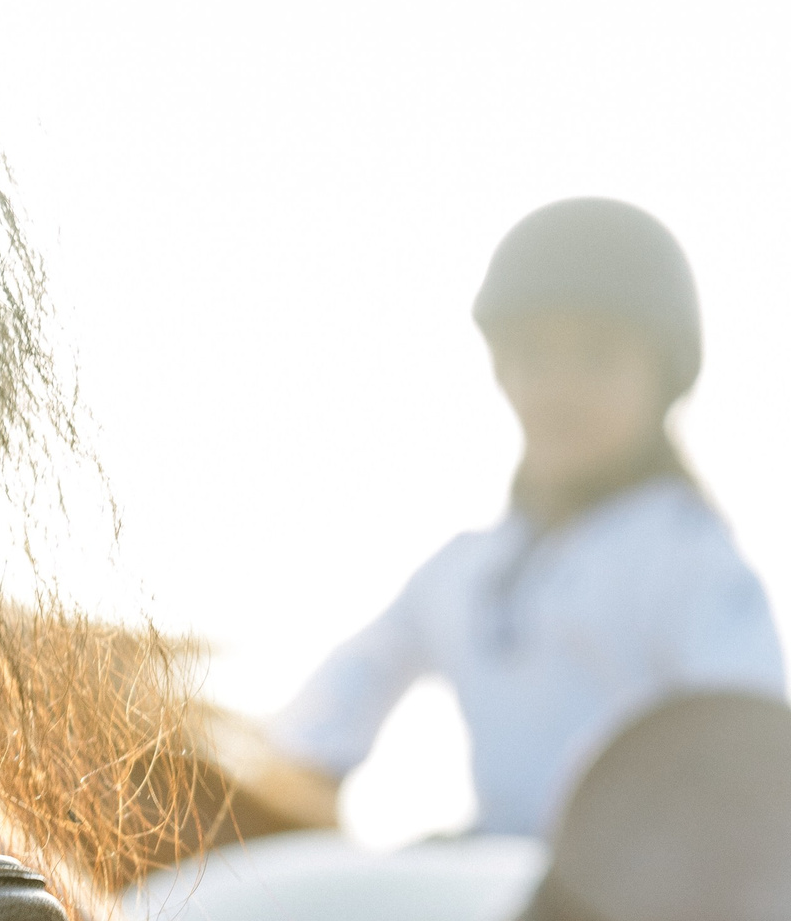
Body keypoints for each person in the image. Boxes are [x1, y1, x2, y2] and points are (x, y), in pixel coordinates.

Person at [268, 198, 785, 838]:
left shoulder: (689, 559)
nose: (560, 387)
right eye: (535, 354)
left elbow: (754, 752)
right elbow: (344, 694)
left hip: (628, 918)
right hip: (498, 888)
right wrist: (279, 781)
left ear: (664, 376)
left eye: (598, 356)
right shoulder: (467, 568)